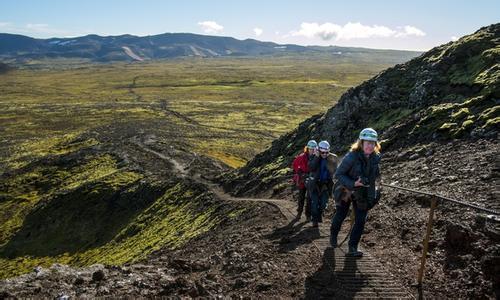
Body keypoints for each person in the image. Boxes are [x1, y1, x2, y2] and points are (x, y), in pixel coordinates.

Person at [330, 128, 382, 257]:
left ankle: (352, 247)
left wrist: (373, 196)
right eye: (367, 142)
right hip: (345, 190)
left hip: (362, 192)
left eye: (372, 143)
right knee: (341, 214)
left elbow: (374, 178)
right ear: (361, 142)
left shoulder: (375, 158)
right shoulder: (351, 156)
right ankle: (333, 235)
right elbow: (338, 174)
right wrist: (353, 183)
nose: (370, 145)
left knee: (360, 220)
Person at [308, 140, 339, 227]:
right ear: (318, 150)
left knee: (323, 203)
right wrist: (317, 157)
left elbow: (336, 169)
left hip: (326, 184)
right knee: (314, 203)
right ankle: (315, 220)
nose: (325, 154)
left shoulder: (333, 157)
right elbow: (311, 167)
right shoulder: (313, 156)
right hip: (315, 183)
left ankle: (319, 215)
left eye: (326, 152)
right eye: (322, 152)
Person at [292, 140, 317, 221]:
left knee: (309, 198)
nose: (311, 150)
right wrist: (299, 172)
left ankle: (308, 215)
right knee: (301, 197)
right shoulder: (301, 157)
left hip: (311, 180)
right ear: (307, 148)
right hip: (303, 180)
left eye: (313, 149)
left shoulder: (316, 157)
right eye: (310, 149)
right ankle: (299, 213)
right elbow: (295, 165)